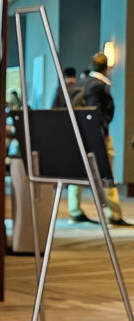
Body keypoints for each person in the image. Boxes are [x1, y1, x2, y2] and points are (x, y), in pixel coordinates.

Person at [68, 52, 129, 225]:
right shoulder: (98, 86)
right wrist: (101, 134)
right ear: (106, 68)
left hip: (80, 135)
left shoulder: (81, 83)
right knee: (106, 171)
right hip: (97, 136)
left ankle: (75, 210)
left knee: (79, 171)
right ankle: (114, 214)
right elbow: (97, 113)